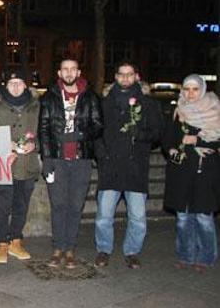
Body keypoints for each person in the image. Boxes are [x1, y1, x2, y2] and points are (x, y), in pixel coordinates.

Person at [94, 61, 163, 269]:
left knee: (138, 218)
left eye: (129, 74)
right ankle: (104, 249)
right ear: (115, 77)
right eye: (121, 74)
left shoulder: (148, 104)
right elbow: (96, 133)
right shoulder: (105, 103)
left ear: (136, 76)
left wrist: (140, 135)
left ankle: (132, 251)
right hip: (111, 168)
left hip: (135, 169)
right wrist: (102, 156)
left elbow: (158, 133)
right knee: (103, 217)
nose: (125, 78)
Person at [39, 58, 103, 269]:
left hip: (81, 160)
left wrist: (80, 134)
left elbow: (98, 126)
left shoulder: (90, 97)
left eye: (72, 69)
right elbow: (44, 129)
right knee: (58, 205)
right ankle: (57, 249)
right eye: (65, 69)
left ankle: (70, 249)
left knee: (75, 206)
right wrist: (47, 158)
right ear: (59, 73)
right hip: (57, 160)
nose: (68, 73)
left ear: (78, 72)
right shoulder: (50, 97)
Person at [162, 74, 220, 273]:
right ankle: (186, 255)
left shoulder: (215, 109)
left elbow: (217, 141)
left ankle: (206, 257)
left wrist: (197, 141)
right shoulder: (178, 110)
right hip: (182, 170)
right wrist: (171, 149)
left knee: (204, 217)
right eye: (187, 89)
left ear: (202, 89)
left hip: (206, 170)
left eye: (195, 89)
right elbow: (168, 137)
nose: (191, 93)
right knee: (183, 217)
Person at [0, 70, 39, 264]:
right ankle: (1, 242)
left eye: (20, 82)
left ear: (26, 85)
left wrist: (35, 144)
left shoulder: (36, 106)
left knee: (21, 205)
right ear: (6, 85)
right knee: (2, 205)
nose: (16, 86)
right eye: (12, 83)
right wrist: (5, 143)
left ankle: (15, 240)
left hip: (27, 164)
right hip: (4, 163)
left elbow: (44, 130)